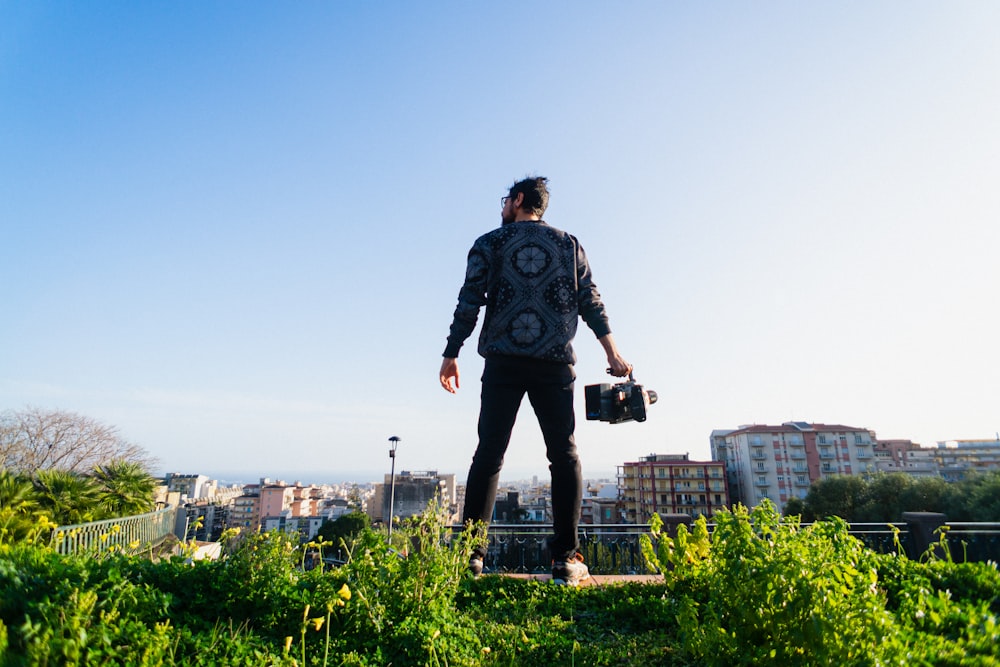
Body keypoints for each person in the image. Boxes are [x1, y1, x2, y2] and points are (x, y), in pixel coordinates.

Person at [439, 176, 631, 585]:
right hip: (554, 364)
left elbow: (468, 300)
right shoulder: (569, 245)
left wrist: (452, 352)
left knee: (489, 454)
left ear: (519, 200)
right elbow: (590, 302)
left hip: (503, 362)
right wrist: (612, 352)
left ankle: (471, 558)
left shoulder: (489, 243)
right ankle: (565, 559)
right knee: (564, 456)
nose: (502, 206)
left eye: (506, 199)